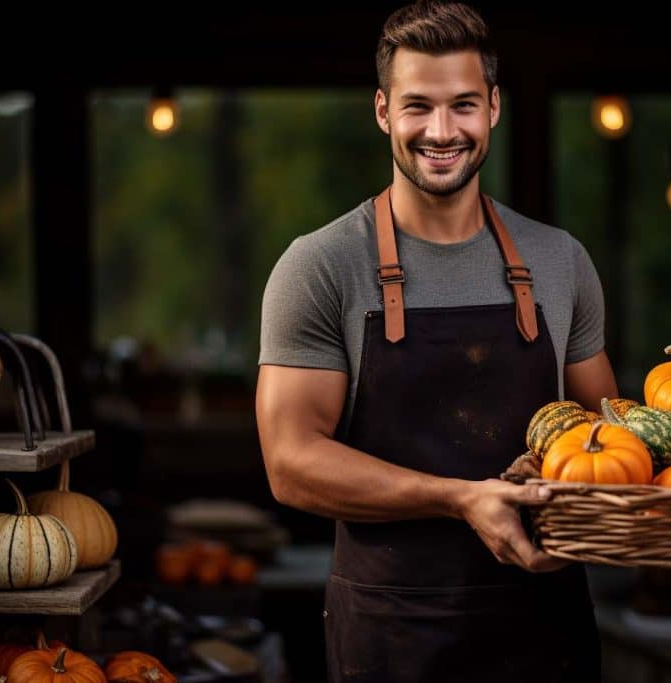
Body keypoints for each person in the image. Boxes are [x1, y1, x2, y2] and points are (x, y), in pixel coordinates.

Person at [255, 1, 618, 680]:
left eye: (463, 105)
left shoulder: (560, 260)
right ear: (383, 110)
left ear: (495, 108)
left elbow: (612, 441)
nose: (442, 131)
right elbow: (290, 462)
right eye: (418, 106)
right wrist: (460, 497)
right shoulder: (321, 265)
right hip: (392, 637)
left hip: (546, 632)